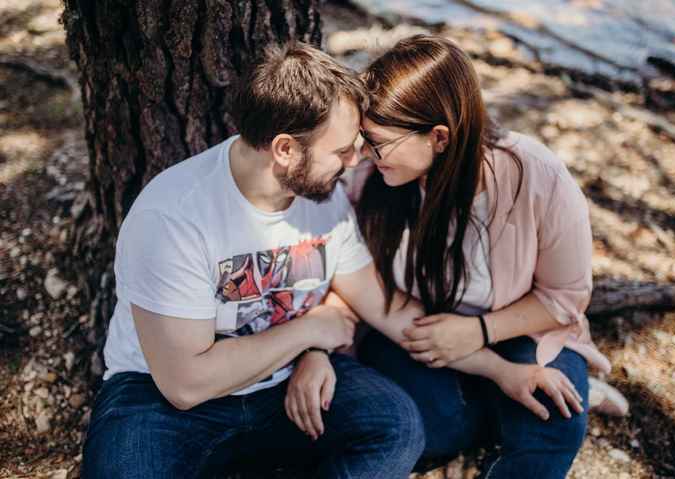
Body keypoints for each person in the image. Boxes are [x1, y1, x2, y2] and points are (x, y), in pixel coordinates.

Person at [81, 42, 428, 479]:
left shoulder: (322, 195)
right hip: (162, 402)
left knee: (396, 426)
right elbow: (186, 384)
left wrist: (485, 343)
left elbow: (374, 303)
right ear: (284, 149)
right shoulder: (172, 217)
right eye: (342, 150)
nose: (357, 161)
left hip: (282, 385)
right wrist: (309, 330)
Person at [287, 35, 613, 479]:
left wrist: (478, 331)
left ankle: (520, 396)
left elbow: (564, 297)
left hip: (521, 328)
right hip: (415, 333)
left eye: (377, 142)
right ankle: (489, 402)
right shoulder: (370, 179)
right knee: (428, 428)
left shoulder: (537, 177)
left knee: (555, 424)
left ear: (439, 137)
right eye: (363, 138)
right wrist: (316, 348)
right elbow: (350, 279)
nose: (363, 155)